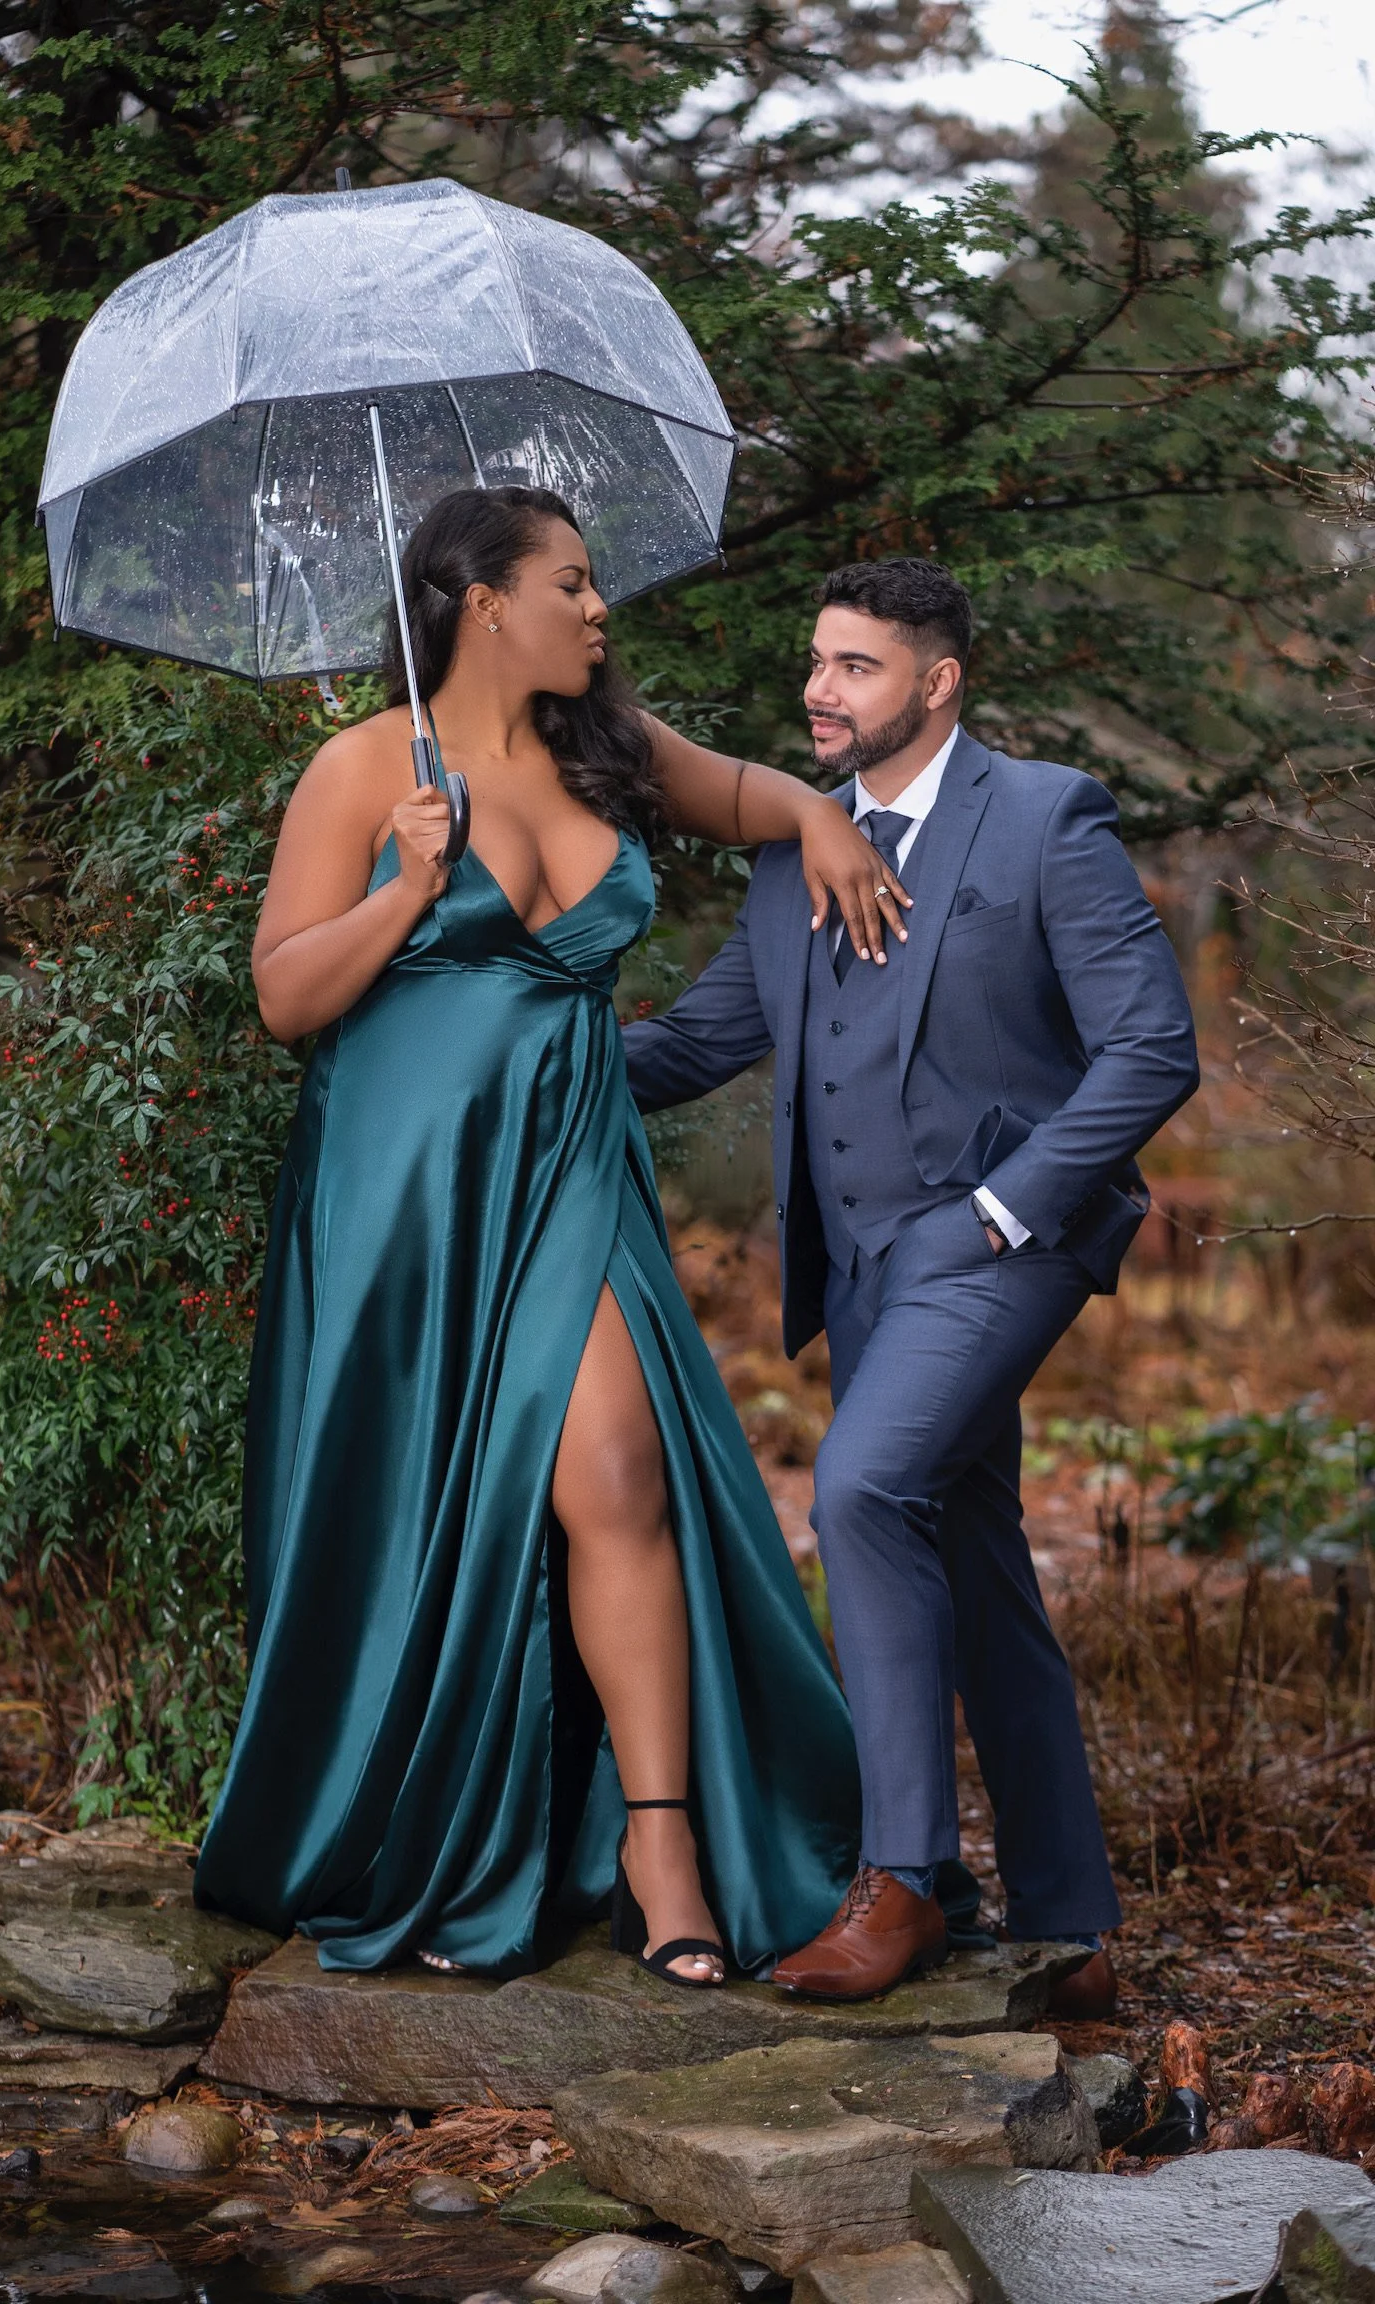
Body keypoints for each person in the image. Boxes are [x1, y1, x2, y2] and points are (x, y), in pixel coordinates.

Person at [193, 486, 902, 1986]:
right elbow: (284, 998)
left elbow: (752, 794)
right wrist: (409, 892)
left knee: (617, 1467)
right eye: (570, 585)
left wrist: (824, 821)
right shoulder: (362, 768)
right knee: (434, 1506)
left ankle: (662, 1840)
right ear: (479, 600)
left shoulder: (612, 752)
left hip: (568, 1166)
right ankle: (434, 1824)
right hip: (404, 1194)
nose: (597, 611)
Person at [623, 558, 1200, 2013]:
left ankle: (906, 1885)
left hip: (995, 1241)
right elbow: (697, 1046)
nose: (820, 690)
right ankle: (1072, 1927)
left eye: (856, 666)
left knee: (865, 1493)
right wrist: (501, 1039)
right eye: (816, 662)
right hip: (865, 1267)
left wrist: (1011, 1208)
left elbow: (1152, 1049)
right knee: (973, 1549)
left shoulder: (1044, 819)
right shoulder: (788, 854)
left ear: (937, 684)